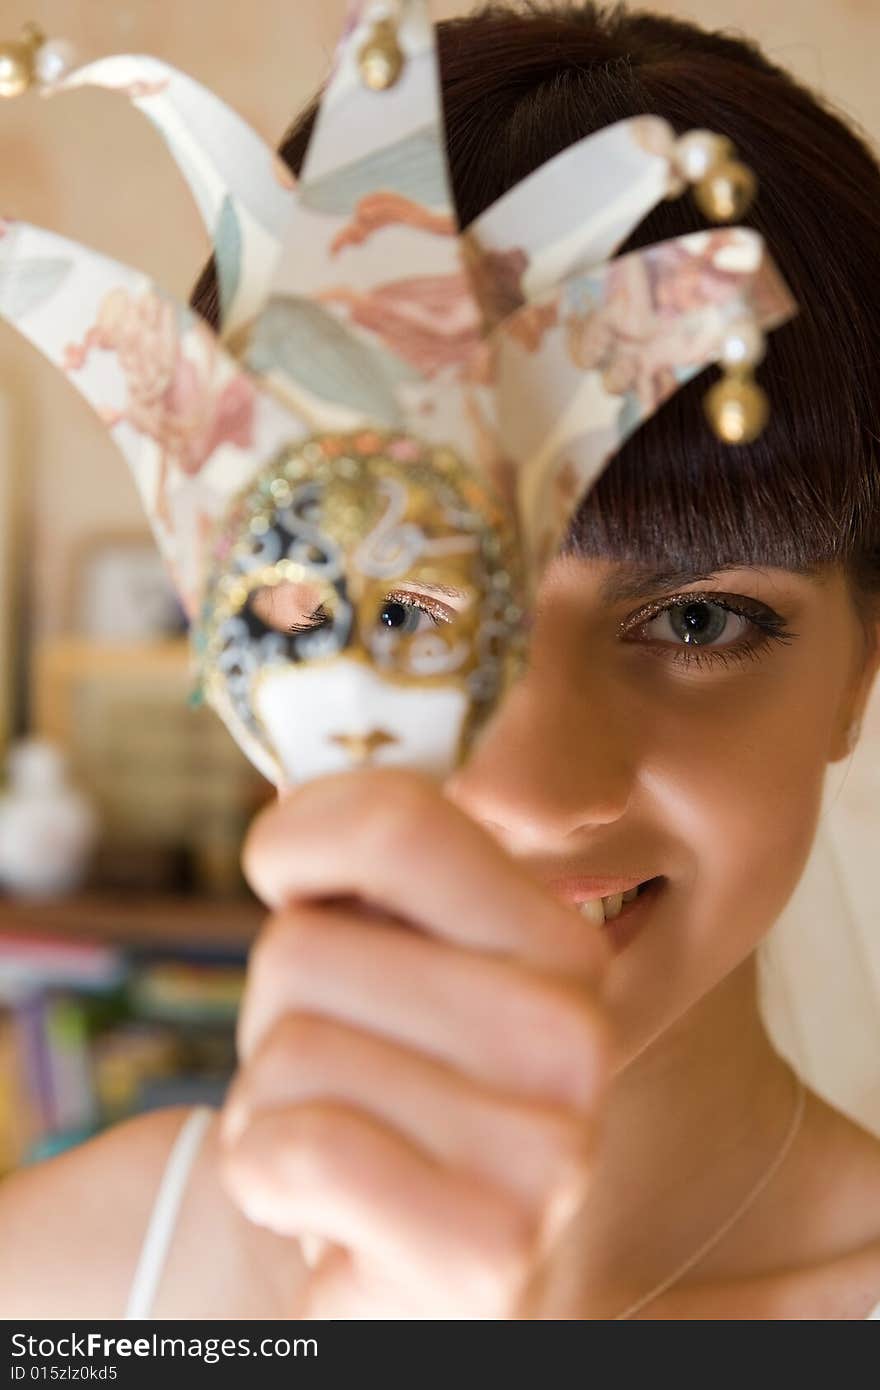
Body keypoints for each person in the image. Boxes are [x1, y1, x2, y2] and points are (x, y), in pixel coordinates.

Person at [3, 2, 880, 1319]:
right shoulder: (46, 1293)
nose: (529, 786)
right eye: (399, 616)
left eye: (697, 619)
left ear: (864, 660)